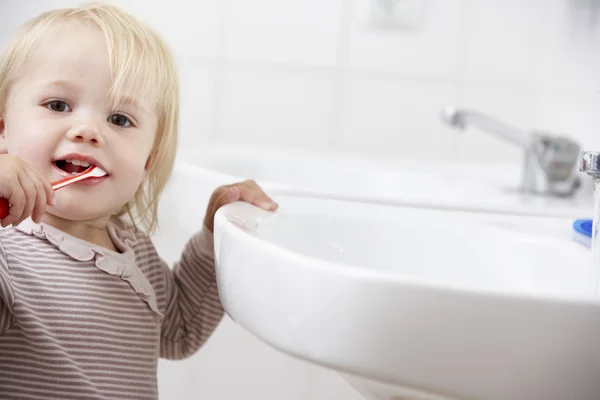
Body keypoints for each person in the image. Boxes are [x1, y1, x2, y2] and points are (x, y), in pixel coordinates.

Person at [0, 3, 278, 399]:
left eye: (120, 120)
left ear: (146, 163)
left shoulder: (136, 255)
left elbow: (180, 330)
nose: (87, 130)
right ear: (2, 130)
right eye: (58, 105)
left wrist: (215, 235)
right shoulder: (9, 249)